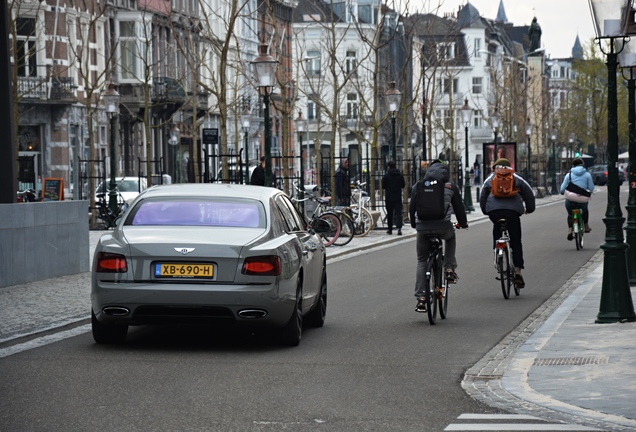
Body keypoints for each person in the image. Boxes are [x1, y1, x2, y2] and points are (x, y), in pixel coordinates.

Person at [409, 160, 468, 311]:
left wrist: (415, 225)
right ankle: (449, 268)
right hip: (443, 227)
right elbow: (459, 208)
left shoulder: (418, 186)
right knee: (450, 237)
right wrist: (463, 223)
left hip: (423, 228)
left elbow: (412, 207)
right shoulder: (450, 186)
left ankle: (421, 298)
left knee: (422, 260)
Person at [479, 158, 535, 289]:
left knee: (496, 228)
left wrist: (485, 211)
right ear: (509, 167)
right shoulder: (515, 177)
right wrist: (530, 209)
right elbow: (529, 193)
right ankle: (518, 272)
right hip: (513, 212)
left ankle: (497, 251)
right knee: (516, 241)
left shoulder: (490, 178)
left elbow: (482, 195)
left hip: (495, 212)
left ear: (495, 167)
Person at [560, 158, 594, 239]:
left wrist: (562, 192)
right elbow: (591, 188)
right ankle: (586, 226)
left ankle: (570, 230)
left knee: (570, 214)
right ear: (583, 165)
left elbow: (562, 189)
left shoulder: (569, 175)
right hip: (582, 200)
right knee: (585, 210)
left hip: (570, 199)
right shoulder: (587, 175)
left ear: (573, 166)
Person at [382, 161, 406, 235]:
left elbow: (383, 186)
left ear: (388, 167)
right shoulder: (400, 175)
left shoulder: (386, 176)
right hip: (398, 196)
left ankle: (390, 229)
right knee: (398, 213)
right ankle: (399, 228)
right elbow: (403, 185)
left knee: (390, 213)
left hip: (389, 197)